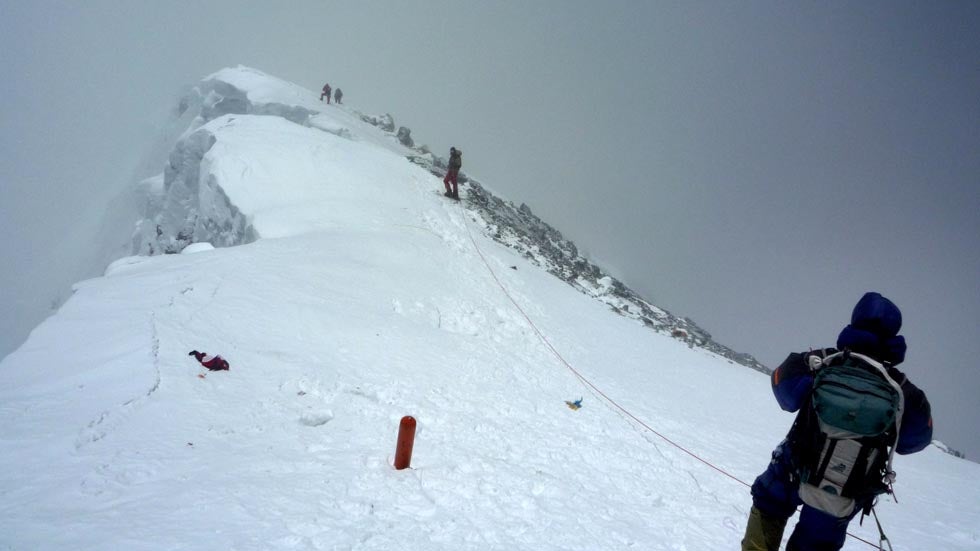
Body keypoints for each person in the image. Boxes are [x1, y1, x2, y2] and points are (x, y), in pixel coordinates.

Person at [741, 292, 932, 551]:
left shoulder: (821, 361)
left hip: (790, 469)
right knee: (817, 543)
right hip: (843, 491)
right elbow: (913, 441)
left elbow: (784, 394)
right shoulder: (904, 391)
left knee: (769, 506)